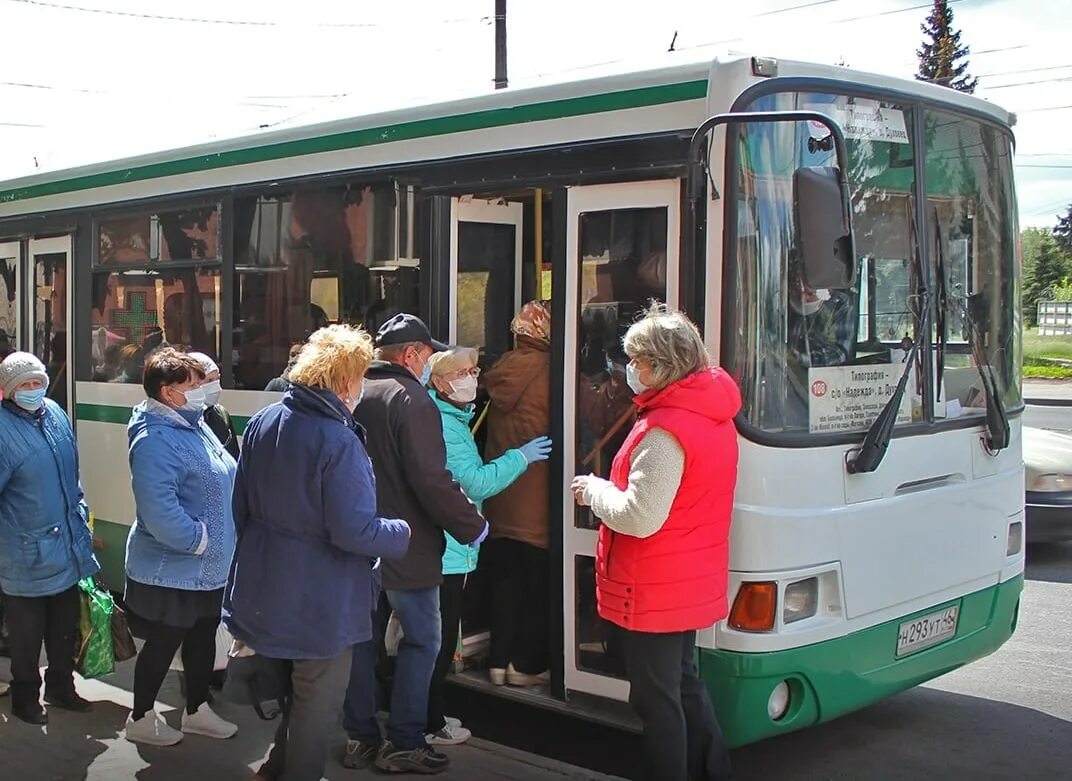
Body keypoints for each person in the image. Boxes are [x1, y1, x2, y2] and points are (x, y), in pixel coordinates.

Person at [224, 325, 411, 781]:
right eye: (361, 375)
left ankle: (272, 769)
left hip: (266, 587)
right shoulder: (338, 439)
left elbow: (240, 507)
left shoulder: (265, 421)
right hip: (321, 601)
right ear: (345, 381)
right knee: (316, 704)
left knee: (294, 693)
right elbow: (355, 530)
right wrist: (401, 532)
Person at [571, 304, 739, 781]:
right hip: (684, 581)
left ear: (663, 366)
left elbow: (640, 517)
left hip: (653, 586)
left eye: (638, 361)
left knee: (657, 701)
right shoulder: (709, 414)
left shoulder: (665, 430)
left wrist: (594, 490)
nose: (631, 371)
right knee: (682, 686)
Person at [342, 313, 488, 775]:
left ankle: (360, 737)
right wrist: (472, 526)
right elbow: (432, 479)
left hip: (360, 542)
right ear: (410, 355)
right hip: (408, 546)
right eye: (428, 354)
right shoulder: (413, 399)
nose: (432, 363)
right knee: (423, 641)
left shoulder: (355, 393)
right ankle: (405, 739)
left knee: (362, 643)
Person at [423, 347, 551, 745]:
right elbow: (474, 482)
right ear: (441, 383)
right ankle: (427, 724)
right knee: (438, 641)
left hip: (459, 537)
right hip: (450, 545)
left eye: (475, 369)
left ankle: (424, 717)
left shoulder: (446, 414)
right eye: (463, 372)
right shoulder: (445, 423)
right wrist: (521, 457)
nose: (473, 378)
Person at [124, 348, 238, 746]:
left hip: (208, 565)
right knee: (166, 639)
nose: (202, 390)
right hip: (174, 567)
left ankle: (197, 709)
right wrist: (200, 540)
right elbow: (158, 509)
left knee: (203, 635)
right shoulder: (154, 438)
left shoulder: (194, 423)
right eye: (193, 385)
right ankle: (140, 717)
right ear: (168, 392)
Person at [0, 352, 99, 724]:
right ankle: (25, 697)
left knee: (63, 627)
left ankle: (61, 685)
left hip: (66, 544)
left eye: (37, 382)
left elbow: (70, 470)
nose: (33, 390)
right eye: (24, 385)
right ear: (9, 390)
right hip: (24, 551)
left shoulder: (55, 413)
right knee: (26, 636)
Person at [481, 300, 553, 686]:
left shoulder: (502, 369)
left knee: (505, 583)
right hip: (539, 501)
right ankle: (525, 666)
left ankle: (497, 661)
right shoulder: (553, 372)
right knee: (537, 585)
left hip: (502, 497)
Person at [187, 352, 240, 461]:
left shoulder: (221, 414)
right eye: (210, 380)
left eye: (217, 379)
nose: (216, 386)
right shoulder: (181, 418)